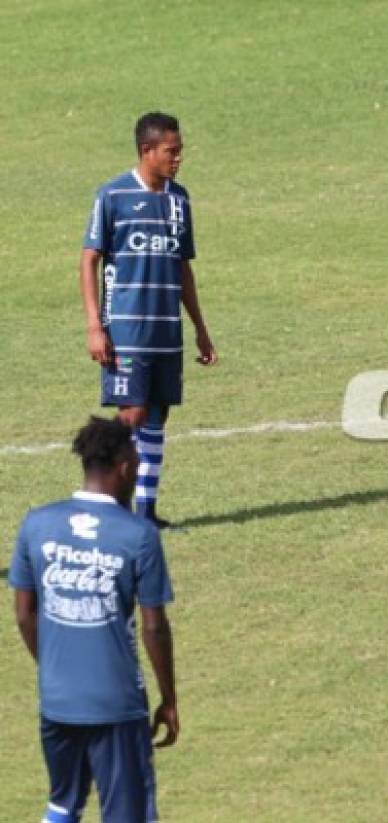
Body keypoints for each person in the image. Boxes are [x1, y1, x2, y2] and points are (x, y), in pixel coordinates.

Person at [9, 416, 178, 823]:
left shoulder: (37, 523)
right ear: (122, 467)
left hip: (58, 702)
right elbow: (154, 626)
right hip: (115, 704)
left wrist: (54, 666)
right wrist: (169, 698)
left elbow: (24, 613)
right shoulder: (137, 535)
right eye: (136, 464)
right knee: (126, 814)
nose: (138, 472)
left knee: (63, 803)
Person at [81, 111, 218, 527]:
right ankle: (110, 507)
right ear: (147, 150)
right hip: (127, 328)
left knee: (157, 415)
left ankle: (147, 511)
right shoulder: (113, 196)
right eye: (171, 152)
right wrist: (94, 325)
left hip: (166, 330)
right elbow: (89, 261)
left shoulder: (180, 200)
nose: (178, 159)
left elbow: (182, 268)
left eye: (180, 151)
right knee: (132, 414)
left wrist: (200, 329)